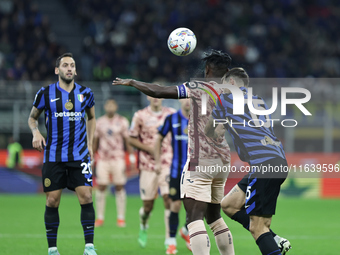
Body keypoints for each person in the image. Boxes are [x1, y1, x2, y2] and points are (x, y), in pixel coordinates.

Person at [113, 50, 235, 255]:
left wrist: (134, 82)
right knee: (214, 216)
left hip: (201, 160)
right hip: (222, 160)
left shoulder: (199, 87)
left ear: (207, 69)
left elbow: (159, 91)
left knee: (194, 218)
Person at [206, 67, 291, 255]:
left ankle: (268, 240)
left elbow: (210, 129)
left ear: (232, 83)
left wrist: (212, 131)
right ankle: (274, 238)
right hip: (277, 161)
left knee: (257, 228)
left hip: (263, 164)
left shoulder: (226, 98)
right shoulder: (257, 100)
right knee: (229, 204)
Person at [28, 53, 97, 255]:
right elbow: (32, 118)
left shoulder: (86, 93)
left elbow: (92, 118)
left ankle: (89, 247)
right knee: (52, 201)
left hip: (80, 155)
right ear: (57, 70)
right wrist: (36, 132)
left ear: (75, 70)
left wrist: (90, 144)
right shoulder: (45, 93)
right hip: (54, 156)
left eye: (72, 65)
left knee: (86, 197)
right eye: (65, 65)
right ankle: (52, 249)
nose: (69, 68)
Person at [128, 96, 176, 248]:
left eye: (158, 95)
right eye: (152, 95)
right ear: (148, 97)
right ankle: (143, 224)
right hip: (147, 164)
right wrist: (149, 149)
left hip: (168, 162)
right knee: (148, 206)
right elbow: (131, 139)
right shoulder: (140, 115)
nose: (156, 98)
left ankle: (170, 240)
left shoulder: (171, 114)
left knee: (169, 198)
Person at [155, 98, 191, 254]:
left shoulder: (201, 119)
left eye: (192, 97)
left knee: (198, 207)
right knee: (175, 205)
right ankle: (171, 241)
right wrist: (157, 162)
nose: (188, 101)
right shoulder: (172, 118)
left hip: (195, 171)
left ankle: (186, 230)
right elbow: (158, 138)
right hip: (177, 171)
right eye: (185, 98)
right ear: (180, 101)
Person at [93, 98, 136, 228]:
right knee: (101, 186)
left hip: (118, 158)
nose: (110, 107)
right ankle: (100, 217)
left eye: (112, 104)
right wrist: (91, 157)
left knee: (119, 186)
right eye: (108, 105)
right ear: (105, 107)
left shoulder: (122, 121)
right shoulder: (99, 122)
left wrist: (132, 156)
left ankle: (121, 218)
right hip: (103, 158)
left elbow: (127, 140)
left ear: (116, 107)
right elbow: (95, 141)